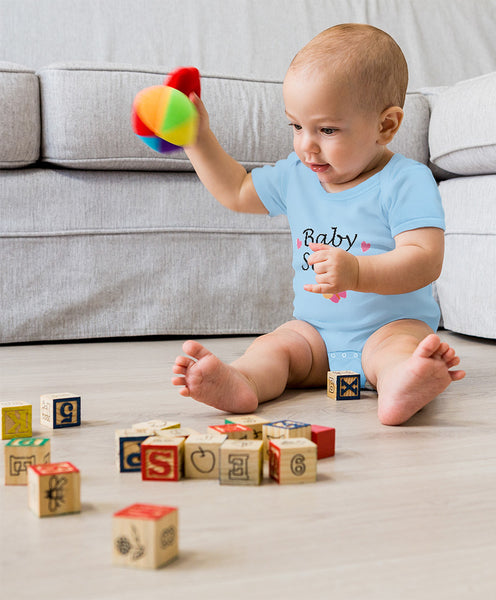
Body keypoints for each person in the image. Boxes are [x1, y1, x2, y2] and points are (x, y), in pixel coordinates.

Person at [171, 23, 465, 425]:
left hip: (391, 327)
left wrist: (357, 271)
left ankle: (401, 382)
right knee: (275, 347)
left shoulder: (405, 179)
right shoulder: (298, 174)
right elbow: (238, 190)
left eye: (327, 130)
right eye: (296, 126)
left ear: (386, 125)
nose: (306, 145)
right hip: (315, 334)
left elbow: (426, 259)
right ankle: (243, 381)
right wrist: (197, 139)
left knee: (396, 351)